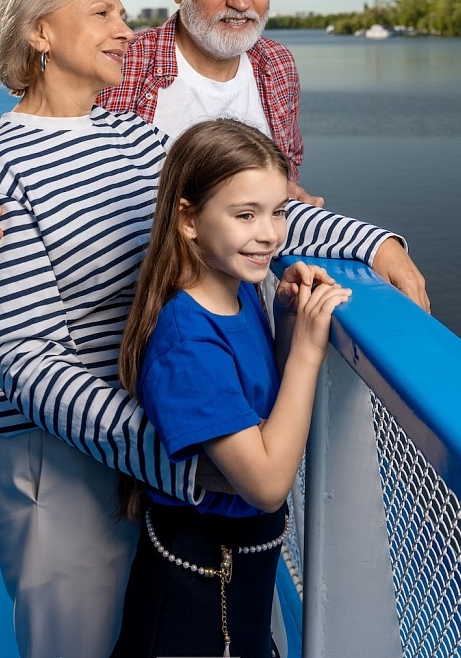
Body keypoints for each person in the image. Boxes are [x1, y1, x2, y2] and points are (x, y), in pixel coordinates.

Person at [0, 0, 417, 658]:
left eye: (122, 12)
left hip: (161, 445)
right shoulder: (0, 164)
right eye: (102, 13)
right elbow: (24, 362)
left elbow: (233, 208)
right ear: (40, 33)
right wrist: (176, 454)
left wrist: (376, 244)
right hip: (73, 460)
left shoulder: (132, 137)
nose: (125, 29)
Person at [109, 120, 348, 657]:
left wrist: (288, 323)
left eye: (278, 212)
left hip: (237, 578)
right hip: (194, 590)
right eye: (246, 215)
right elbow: (266, 484)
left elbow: (261, 407)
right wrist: (308, 351)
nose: (270, 234)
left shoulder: (240, 298)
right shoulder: (187, 339)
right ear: (188, 220)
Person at [95, 0, 318, 205]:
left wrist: (287, 196)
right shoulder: (120, 61)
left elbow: (287, 176)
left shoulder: (278, 64)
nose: (241, 2)